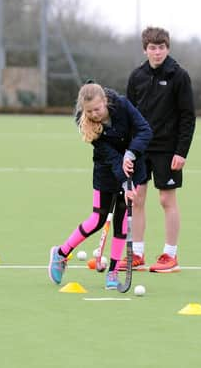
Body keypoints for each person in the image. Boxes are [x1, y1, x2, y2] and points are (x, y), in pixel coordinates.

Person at [48, 81, 152, 289]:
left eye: (98, 109)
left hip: (134, 166)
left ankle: (112, 272)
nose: (95, 114)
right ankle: (61, 254)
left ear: (105, 101)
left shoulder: (122, 105)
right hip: (106, 170)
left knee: (122, 221)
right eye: (90, 111)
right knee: (97, 219)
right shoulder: (88, 125)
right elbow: (112, 158)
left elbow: (145, 130)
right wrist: (123, 182)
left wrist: (131, 153)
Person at [124, 26, 196, 273]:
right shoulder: (136, 77)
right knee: (137, 199)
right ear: (145, 50)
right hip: (141, 149)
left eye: (162, 47)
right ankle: (137, 254)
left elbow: (188, 116)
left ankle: (170, 255)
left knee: (166, 199)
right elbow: (128, 116)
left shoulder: (179, 76)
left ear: (168, 48)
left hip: (168, 150)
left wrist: (181, 151)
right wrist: (129, 151)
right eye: (153, 48)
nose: (157, 52)